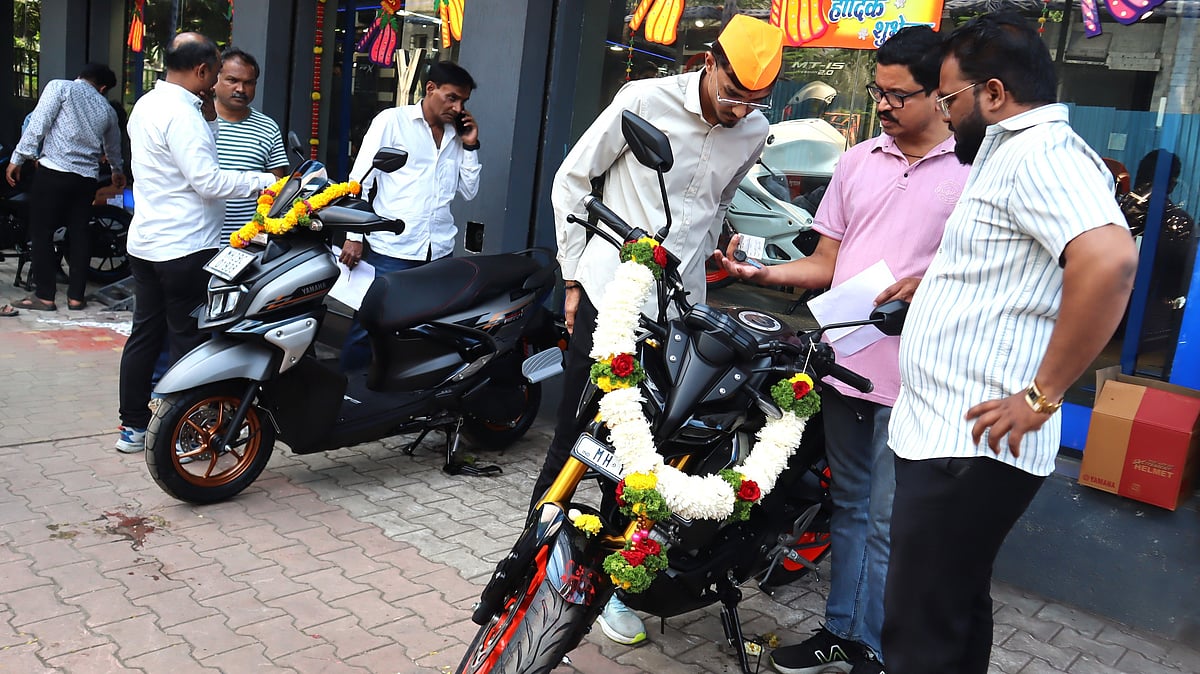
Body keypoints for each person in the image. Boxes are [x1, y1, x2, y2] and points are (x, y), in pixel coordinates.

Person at [882, 13, 1138, 673]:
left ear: (993, 93)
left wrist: (1042, 396)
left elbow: (1110, 263)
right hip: (952, 437)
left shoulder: (1042, 154)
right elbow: (1019, 266)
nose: (943, 114)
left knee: (919, 635)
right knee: (953, 612)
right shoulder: (1008, 150)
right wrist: (939, 284)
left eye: (948, 98)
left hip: (967, 443)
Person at [715, 26, 968, 674]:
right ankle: (839, 632)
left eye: (898, 95)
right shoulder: (857, 162)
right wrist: (761, 273)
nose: (883, 106)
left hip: (917, 380)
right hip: (844, 365)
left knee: (888, 523)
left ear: (939, 94)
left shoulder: (971, 171)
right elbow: (826, 263)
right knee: (850, 509)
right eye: (877, 91)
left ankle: (876, 649)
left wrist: (929, 286)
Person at [534, 14, 785, 647]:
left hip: (679, 312)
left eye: (756, 100)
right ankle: (536, 565)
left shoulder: (753, 130)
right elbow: (573, 179)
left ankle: (613, 586)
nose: (740, 110)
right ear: (709, 61)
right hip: (610, 294)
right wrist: (572, 277)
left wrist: (714, 256)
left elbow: (717, 201)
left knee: (648, 449)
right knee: (577, 433)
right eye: (734, 92)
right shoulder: (643, 100)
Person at [115, 32, 279, 453]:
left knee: (144, 335)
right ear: (203, 70)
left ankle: (133, 427)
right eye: (217, 74)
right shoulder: (182, 115)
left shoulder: (148, 104)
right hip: (184, 248)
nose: (220, 84)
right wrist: (264, 181)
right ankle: (185, 430)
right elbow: (208, 181)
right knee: (189, 341)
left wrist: (207, 117)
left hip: (147, 243)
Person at [338, 61, 481, 371]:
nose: (458, 108)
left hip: (439, 252)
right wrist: (354, 236)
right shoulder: (392, 122)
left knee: (426, 329)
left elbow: (469, 192)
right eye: (452, 98)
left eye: (463, 101)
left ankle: (405, 390)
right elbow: (359, 181)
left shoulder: (456, 135)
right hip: (393, 250)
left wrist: (471, 147)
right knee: (369, 325)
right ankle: (347, 387)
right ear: (430, 89)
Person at [3, 63, 125, 313]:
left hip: (53, 172)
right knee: (79, 233)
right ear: (103, 88)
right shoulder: (107, 110)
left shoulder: (60, 87)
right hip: (85, 179)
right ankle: (76, 298)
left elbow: (39, 124)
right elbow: (113, 147)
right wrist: (117, 171)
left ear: (81, 75)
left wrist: (18, 158)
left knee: (41, 232)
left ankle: (45, 296)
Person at [1119, 150, 1197, 378]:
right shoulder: (1177, 222)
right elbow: (1178, 284)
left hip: (1108, 315)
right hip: (1150, 326)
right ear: (1171, 182)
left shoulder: (1108, 210)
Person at [214, 47, 289, 240]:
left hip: (248, 241)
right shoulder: (196, 122)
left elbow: (277, 186)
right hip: (200, 240)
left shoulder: (268, 127)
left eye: (248, 83)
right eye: (232, 80)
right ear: (215, 79)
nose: (240, 89)